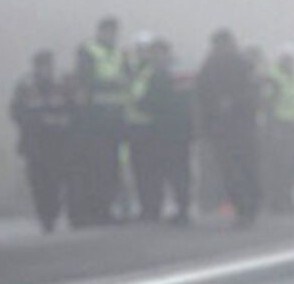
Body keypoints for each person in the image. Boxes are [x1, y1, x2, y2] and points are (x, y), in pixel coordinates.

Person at [70, 16, 131, 227]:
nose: (112, 35)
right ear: (101, 31)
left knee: (112, 167)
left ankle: (106, 208)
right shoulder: (88, 51)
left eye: (114, 31)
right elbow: (84, 82)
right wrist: (111, 83)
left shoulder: (119, 54)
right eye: (109, 31)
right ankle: (95, 210)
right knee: (97, 166)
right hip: (95, 120)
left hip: (116, 120)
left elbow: (128, 80)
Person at [196, 29, 260, 228]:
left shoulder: (242, 66)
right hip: (223, 128)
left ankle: (249, 206)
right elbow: (201, 97)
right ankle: (243, 208)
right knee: (231, 171)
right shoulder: (209, 67)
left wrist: (235, 103)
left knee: (244, 168)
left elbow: (253, 94)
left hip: (240, 126)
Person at [129, 37, 193, 223]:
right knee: (179, 170)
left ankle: (160, 209)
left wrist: (139, 104)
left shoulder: (158, 74)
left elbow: (152, 101)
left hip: (162, 130)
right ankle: (182, 208)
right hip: (181, 130)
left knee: (162, 171)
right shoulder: (180, 71)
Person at [10, 50, 72, 232]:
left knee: (56, 180)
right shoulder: (25, 86)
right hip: (34, 144)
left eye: (48, 66)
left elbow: (72, 107)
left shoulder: (61, 84)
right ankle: (45, 218)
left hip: (58, 143)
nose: (45, 70)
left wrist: (62, 121)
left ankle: (54, 211)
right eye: (42, 66)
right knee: (38, 182)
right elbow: (16, 112)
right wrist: (38, 121)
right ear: (35, 68)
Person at [262, 43, 294, 213]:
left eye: (292, 60)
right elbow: (267, 103)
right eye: (287, 59)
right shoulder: (273, 77)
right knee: (280, 164)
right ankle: (277, 200)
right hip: (281, 126)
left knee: (292, 165)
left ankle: (287, 197)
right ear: (281, 59)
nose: (290, 62)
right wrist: (272, 126)